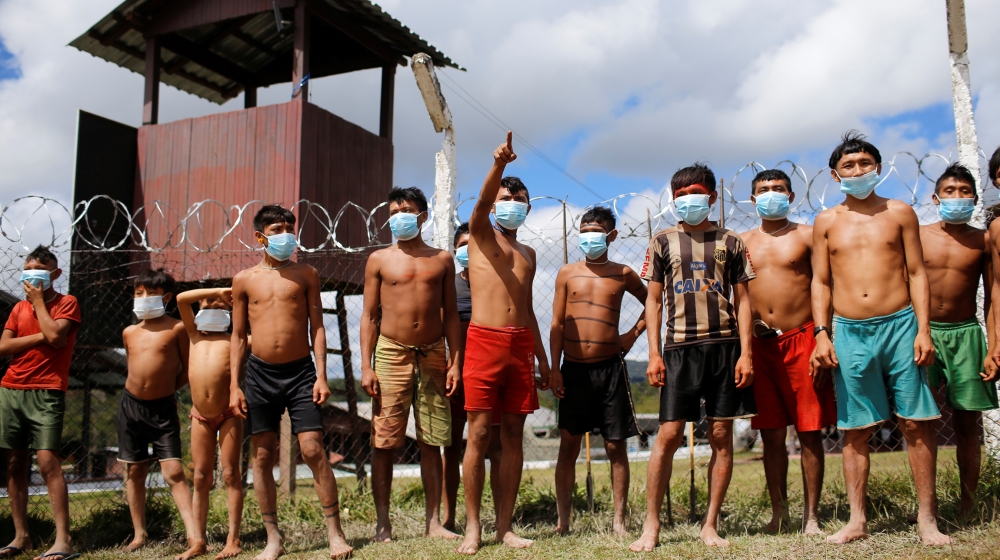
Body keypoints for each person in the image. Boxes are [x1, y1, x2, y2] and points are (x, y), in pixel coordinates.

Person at [812, 131, 949, 545]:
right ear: (836, 175)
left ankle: (928, 519)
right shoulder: (826, 221)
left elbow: (917, 273)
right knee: (855, 428)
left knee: (916, 422)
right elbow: (821, 281)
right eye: (849, 166)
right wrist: (822, 333)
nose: (858, 171)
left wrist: (923, 329)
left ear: (878, 167)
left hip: (902, 324)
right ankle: (857, 520)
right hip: (850, 331)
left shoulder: (900, 212)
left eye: (865, 163)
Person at [630, 163, 756, 552]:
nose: (688, 201)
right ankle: (651, 525)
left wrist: (746, 354)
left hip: (724, 348)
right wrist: (652, 354)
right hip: (678, 350)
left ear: (713, 197)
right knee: (668, 435)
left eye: (695, 194)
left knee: (721, 435)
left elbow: (745, 300)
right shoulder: (661, 241)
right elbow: (652, 301)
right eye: (681, 196)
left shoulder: (731, 241)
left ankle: (710, 524)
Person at [229, 205, 352, 560]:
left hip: (300, 373)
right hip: (259, 375)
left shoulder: (306, 273)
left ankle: (335, 533)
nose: (285, 234)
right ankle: (273, 538)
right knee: (262, 456)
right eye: (277, 228)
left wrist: (323, 375)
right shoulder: (244, 280)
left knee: (313, 449)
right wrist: (234, 386)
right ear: (260, 237)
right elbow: (238, 336)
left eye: (288, 228)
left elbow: (317, 327)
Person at [456, 132, 552, 555]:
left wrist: (545, 361)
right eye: (505, 199)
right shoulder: (480, 235)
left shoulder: (529, 253)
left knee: (513, 433)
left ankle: (504, 526)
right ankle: (473, 527)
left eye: (519, 199)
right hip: (484, 340)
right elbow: (478, 205)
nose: (512, 205)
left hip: (521, 345)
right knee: (478, 434)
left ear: (528, 207)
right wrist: (500, 166)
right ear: (494, 206)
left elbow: (528, 308)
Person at [360, 187, 462, 542]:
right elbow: (369, 316)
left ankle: (433, 522)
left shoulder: (442, 260)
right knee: (384, 440)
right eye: (393, 211)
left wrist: (455, 361)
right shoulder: (379, 260)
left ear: (422, 216)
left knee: (433, 439)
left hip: (434, 352)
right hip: (390, 352)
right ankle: (383, 524)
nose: (398, 215)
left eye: (405, 209)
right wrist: (366, 365)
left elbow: (451, 315)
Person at [740, 169, 835, 535]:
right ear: (752, 199)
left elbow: (827, 284)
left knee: (809, 431)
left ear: (791, 195)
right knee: (771, 433)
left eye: (778, 189)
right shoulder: (740, 241)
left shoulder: (808, 235)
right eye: (763, 190)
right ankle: (779, 514)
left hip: (803, 338)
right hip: (759, 346)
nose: (771, 195)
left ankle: (811, 517)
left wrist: (824, 338)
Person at [551, 206, 647, 536]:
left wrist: (632, 335)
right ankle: (564, 521)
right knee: (568, 444)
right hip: (573, 370)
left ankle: (619, 521)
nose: (590, 236)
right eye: (585, 230)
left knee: (615, 445)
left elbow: (654, 301)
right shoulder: (567, 272)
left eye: (597, 231)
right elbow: (556, 324)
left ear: (611, 235)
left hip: (611, 370)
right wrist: (554, 367)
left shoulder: (623, 273)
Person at [919, 163, 998, 519]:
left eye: (965, 192)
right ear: (936, 198)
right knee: (920, 422)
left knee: (968, 422)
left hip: (966, 334)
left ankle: (968, 503)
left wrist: (994, 346)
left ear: (975, 199)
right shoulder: (918, 235)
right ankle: (928, 506)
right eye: (950, 191)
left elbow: (994, 295)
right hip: (923, 332)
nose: (957, 198)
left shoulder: (983, 240)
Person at [0, 246, 80, 560]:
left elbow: (58, 337)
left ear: (55, 274)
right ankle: (21, 537)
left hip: (47, 391)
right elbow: (4, 347)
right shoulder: (18, 309)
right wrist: (39, 336)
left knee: (48, 463)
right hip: (11, 389)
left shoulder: (67, 303)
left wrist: (39, 304)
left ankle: (63, 540)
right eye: (29, 267)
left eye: (41, 268)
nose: (33, 273)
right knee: (15, 463)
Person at [118, 268, 196, 556]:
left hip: (163, 408)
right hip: (130, 408)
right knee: (134, 470)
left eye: (149, 294)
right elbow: (132, 367)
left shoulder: (177, 328)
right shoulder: (129, 332)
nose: (142, 299)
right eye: (138, 294)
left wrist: (165, 391)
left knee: (174, 471)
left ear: (166, 298)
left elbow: (187, 370)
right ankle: (139, 533)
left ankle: (192, 533)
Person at [441, 223, 503, 533]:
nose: (468, 250)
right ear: (455, 251)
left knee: (494, 446)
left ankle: (500, 520)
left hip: (488, 374)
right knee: (451, 448)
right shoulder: (447, 285)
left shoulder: (495, 282)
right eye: (462, 244)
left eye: (473, 244)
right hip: (454, 376)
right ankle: (450, 518)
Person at [176, 287, 245, 559]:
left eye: (220, 306)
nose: (213, 306)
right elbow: (182, 299)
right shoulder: (193, 335)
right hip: (200, 416)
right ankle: (198, 541)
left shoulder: (235, 339)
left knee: (230, 474)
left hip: (229, 414)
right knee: (201, 477)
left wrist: (233, 300)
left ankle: (234, 539)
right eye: (207, 305)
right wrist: (217, 290)